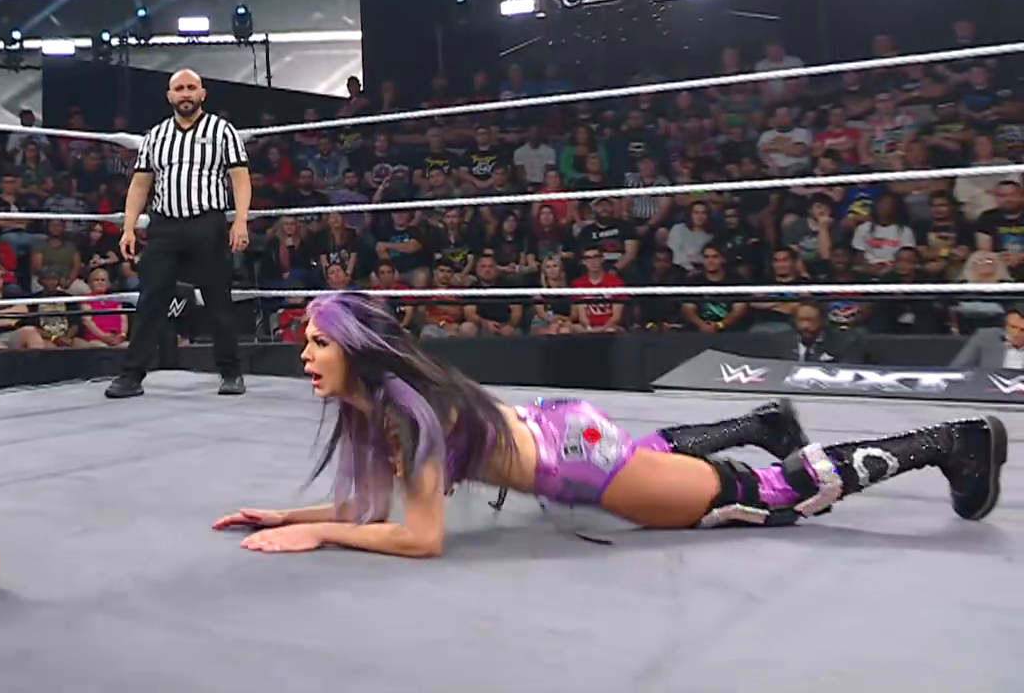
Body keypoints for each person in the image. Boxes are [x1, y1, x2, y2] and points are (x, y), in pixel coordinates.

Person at [212, 294, 1004, 556]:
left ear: (357, 351)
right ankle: (761, 418)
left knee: (752, 496)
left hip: (577, 464)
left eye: (317, 343)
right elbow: (369, 503)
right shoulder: (385, 407)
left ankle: (951, 443)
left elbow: (420, 537)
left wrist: (322, 533)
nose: (304, 355)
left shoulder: (408, 414)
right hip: (562, 435)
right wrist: (286, 515)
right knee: (652, 462)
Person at [107, 69, 250, 398]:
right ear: (170, 96)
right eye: (179, 88)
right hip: (165, 226)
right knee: (151, 299)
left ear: (202, 93)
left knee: (218, 300)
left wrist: (240, 220)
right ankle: (131, 376)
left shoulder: (222, 131)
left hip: (207, 223)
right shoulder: (156, 136)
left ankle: (231, 373)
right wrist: (128, 227)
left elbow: (240, 179)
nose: (185, 93)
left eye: (191, 88)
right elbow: (140, 184)